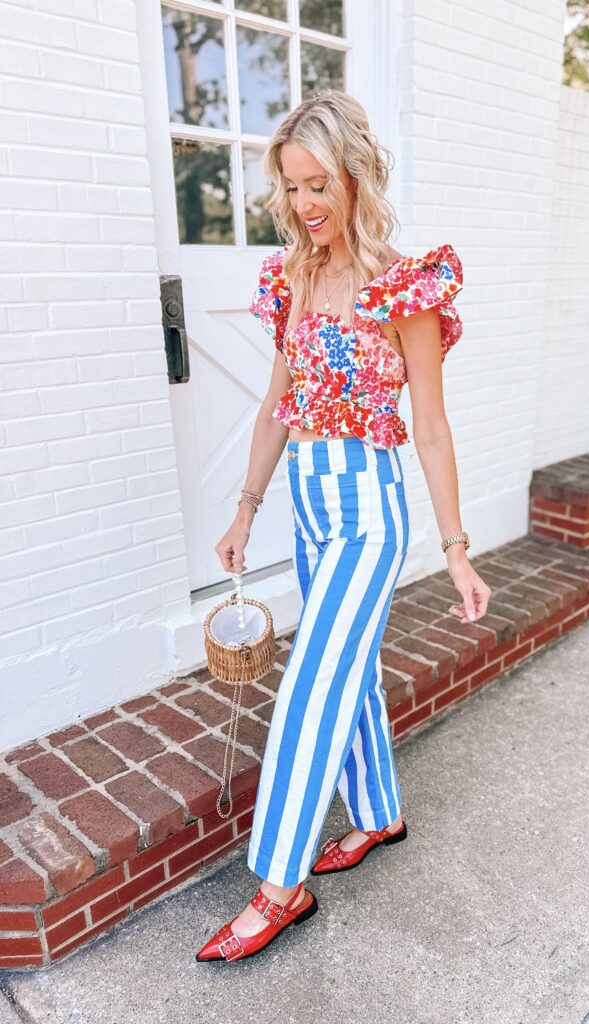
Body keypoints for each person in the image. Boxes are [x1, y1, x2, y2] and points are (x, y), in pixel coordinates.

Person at [196, 90, 491, 964]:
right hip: (308, 507)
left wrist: (457, 549)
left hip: (369, 509)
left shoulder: (407, 287)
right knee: (351, 671)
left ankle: (279, 887)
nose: (306, 205)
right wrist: (246, 509)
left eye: (320, 183)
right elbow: (276, 409)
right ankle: (379, 814)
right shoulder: (291, 276)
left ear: (358, 175)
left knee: (310, 687)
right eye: (291, 188)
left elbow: (431, 428)